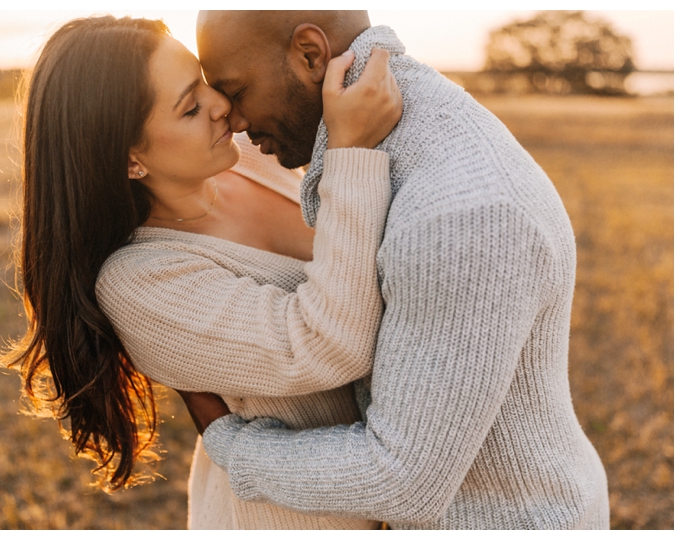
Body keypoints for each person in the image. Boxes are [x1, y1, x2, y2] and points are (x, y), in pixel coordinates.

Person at [184, 10, 611, 529]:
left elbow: (400, 479)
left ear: (310, 56)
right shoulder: (395, 131)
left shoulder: (461, 214)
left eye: (237, 90)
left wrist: (230, 442)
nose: (235, 119)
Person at [0, 15, 403, 529]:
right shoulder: (140, 282)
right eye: (191, 107)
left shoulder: (252, 156)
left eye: (206, 84)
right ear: (128, 159)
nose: (224, 108)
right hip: (293, 519)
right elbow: (328, 344)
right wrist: (350, 153)